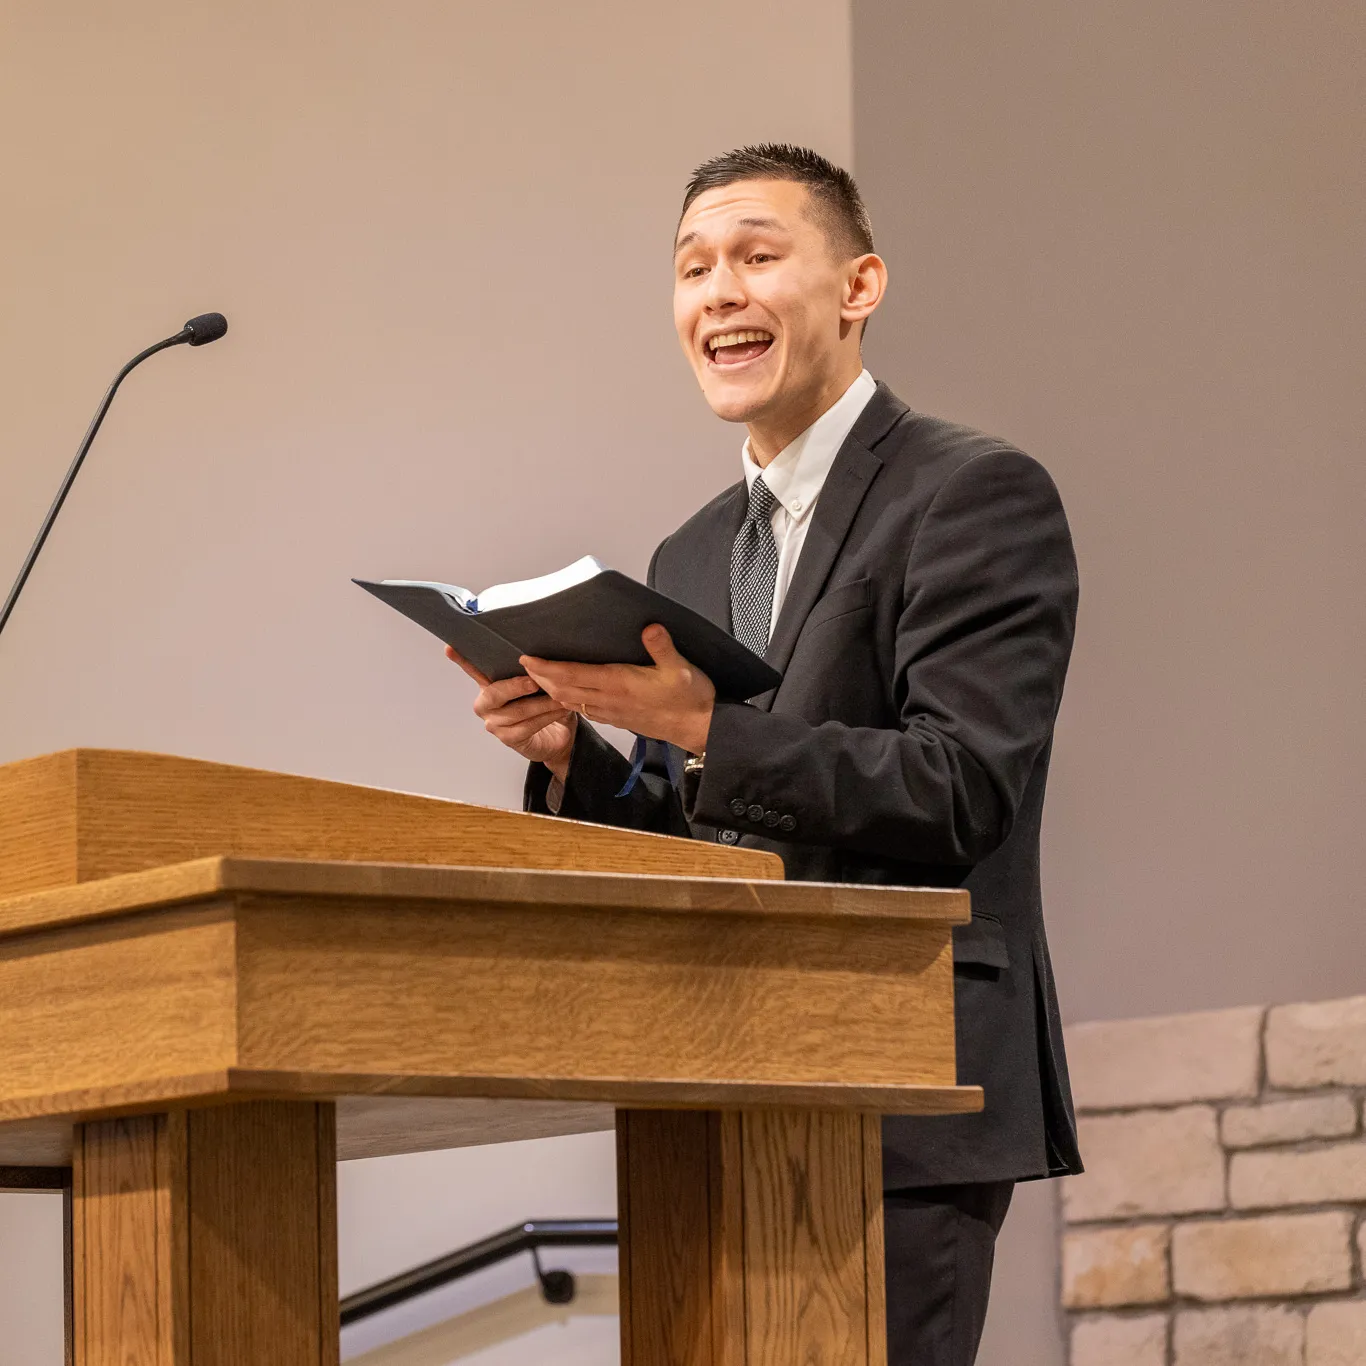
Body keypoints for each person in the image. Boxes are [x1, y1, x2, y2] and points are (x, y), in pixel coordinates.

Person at [447, 143, 1082, 1366]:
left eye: (755, 256)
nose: (718, 293)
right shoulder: (688, 554)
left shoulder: (972, 494)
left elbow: (962, 786)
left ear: (858, 285)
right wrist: (578, 755)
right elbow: (717, 841)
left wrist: (699, 727)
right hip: (712, 1085)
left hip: (900, 1085)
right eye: (693, 269)